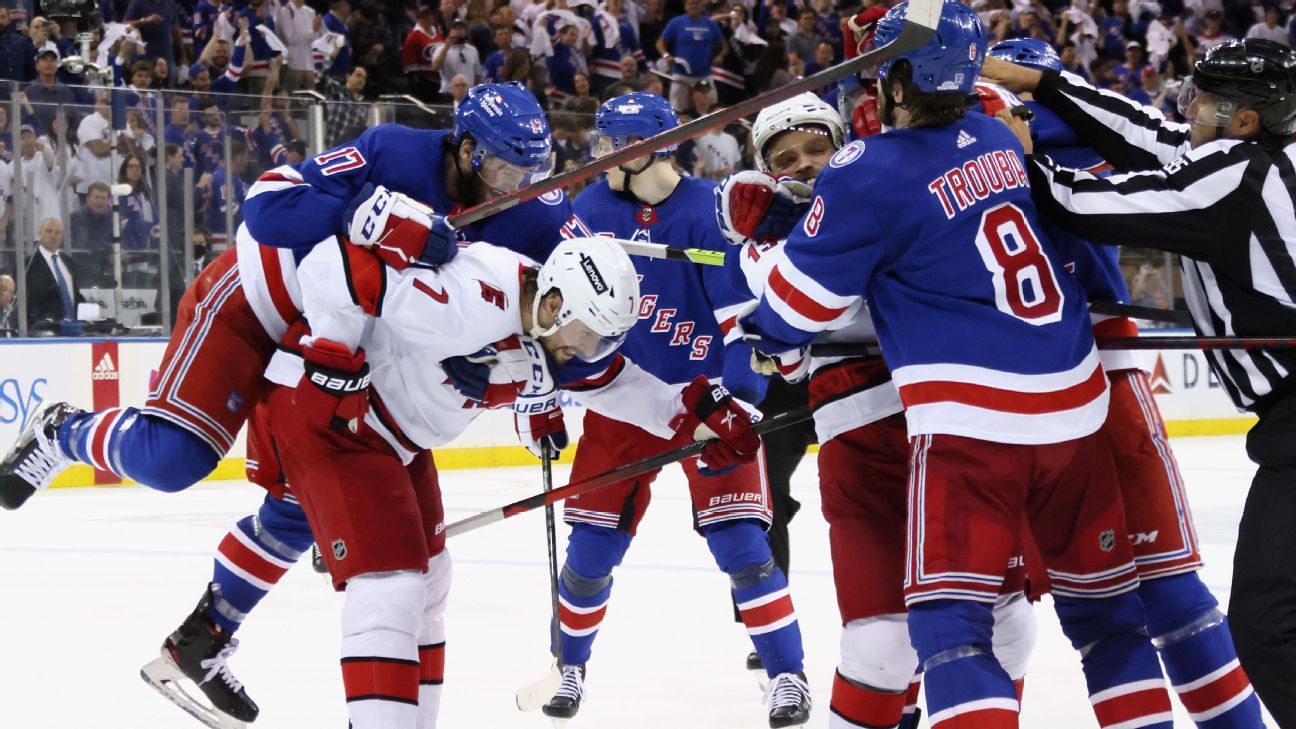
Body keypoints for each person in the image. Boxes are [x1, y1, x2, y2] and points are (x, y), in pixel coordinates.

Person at [0, 82, 582, 727]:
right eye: (503, 167)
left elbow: (578, 284)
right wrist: (362, 213)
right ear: (466, 148)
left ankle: (205, 637)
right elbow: (270, 206)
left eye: (529, 172)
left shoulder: (534, 210)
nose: (513, 184)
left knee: (303, 503)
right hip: (255, 304)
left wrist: (542, 387)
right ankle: (62, 432)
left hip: (327, 346)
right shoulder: (396, 153)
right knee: (172, 460)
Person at [742, 3, 1177, 726]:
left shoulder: (867, 171)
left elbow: (792, 312)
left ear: (897, 84)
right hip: (1076, 408)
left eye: (880, 72)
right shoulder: (997, 136)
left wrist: (765, 312)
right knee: (1107, 622)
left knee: (948, 633)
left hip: (971, 426)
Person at [247, 235, 759, 729]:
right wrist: (332, 355)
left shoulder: (551, 331)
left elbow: (620, 386)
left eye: (603, 340)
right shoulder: (472, 292)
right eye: (588, 334)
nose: (589, 350)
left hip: (395, 439)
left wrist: (693, 421)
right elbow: (329, 266)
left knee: (429, 582)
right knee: (390, 589)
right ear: (555, 299)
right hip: (337, 419)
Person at [983, 34, 1296, 727]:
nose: (1189, 110)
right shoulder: (1263, 159)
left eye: (1205, 101)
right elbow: (1150, 136)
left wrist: (1016, 156)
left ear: (1244, 120)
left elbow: (1082, 203)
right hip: (1285, 426)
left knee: (1268, 620)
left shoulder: (1234, 175)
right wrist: (1051, 82)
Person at [718, 90, 1039, 729]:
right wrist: (793, 237)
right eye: (787, 158)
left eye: (817, 148)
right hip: (865, 436)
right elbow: (796, 340)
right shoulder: (761, 242)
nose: (805, 164)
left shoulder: (898, 188)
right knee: (881, 646)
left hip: (961, 421)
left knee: (1007, 624)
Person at [545, 92, 811, 728]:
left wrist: (738, 399)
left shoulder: (709, 212)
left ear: (645, 151)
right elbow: (557, 313)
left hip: (704, 398)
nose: (598, 155)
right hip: (621, 398)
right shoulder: (588, 211)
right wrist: (547, 388)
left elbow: (738, 318)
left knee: (745, 545)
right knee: (588, 553)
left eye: (610, 145)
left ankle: (786, 676)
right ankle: (569, 666)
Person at [656, 0, 724, 112]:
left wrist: (720, 55)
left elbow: (723, 44)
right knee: (676, 111)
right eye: (691, 3)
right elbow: (660, 43)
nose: (693, 6)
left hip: (704, 75)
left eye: (696, 3)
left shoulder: (710, 24)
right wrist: (666, 55)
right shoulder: (676, 22)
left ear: (701, 6)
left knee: (711, 108)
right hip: (681, 75)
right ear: (685, 6)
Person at [24, 217, 82, 327]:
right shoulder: (28, 264)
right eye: (48, 231)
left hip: (72, 329)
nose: (53, 235)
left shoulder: (68, 262)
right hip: (43, 330)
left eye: (57, 232)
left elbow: (75, 294)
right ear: (40, 233)